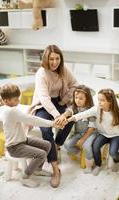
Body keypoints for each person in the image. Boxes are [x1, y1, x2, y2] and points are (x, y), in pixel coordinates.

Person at [29, 44, 78, 188]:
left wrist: (63, 101)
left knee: (69, 120)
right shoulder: (41, 73)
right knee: (46, 129)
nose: (55, 62)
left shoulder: (64, 70)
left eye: (57, 58)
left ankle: (56, 145)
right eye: (51, 59)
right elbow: (44, 99)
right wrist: (58, 116)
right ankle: (56, 170)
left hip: (58, 101)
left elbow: (75, 84)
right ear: (46, 59)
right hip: (43, 104)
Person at [0, 83, 59, 188]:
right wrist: (52, 123)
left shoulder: (9, 108)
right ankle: (25, 177)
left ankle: (37, 170)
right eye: (15, 100)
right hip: (14, 147)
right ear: (6, 101)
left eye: (18, 98)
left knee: (47, 144)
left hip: (22, 141)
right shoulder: (11, 111)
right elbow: (32, 120)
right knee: (41, 154)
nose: (18, 101)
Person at [67, 88, 119, 176]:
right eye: (98, 100)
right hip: (103, 134)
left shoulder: (116, 113)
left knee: (113, 152)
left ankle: (117, 159)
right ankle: (98, 165)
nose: (99, 102)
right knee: (95, 146)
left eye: (102, 100)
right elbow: (81, 115)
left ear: (110, 102)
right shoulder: (96, 109)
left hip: (116, 135)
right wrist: (68, 120)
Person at [56, 85, 96, 173]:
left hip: (90, 134)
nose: (77, 100)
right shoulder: (75, 107)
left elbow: (92, 127)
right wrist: (63, 116)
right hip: (78, 133)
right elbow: (69, 111)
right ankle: (80, 154)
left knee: (86, 146)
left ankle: (90, 165)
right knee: (67, 144)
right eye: (76, 97)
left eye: (81, 98)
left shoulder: (91, 110)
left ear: (87, 98)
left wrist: (83, 139)